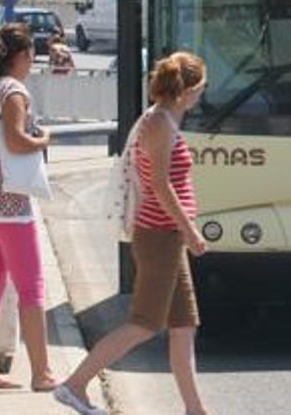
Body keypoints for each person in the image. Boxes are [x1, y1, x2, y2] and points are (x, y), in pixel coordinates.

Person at [55, 52, 209, 415]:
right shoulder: (159, 123)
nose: (201, 94)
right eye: (200, 87)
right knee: (144, 323)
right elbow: (159, 183)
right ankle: (74, 386)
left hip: (168, 235)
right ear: (189, 89)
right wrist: (189, 230)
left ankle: (195, 410)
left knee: (184, 325)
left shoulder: (168, 119)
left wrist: (184, 228)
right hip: (159, 235)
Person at [0, 23, 56, 393]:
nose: (33, 63)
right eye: (31, 56)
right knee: (32, 288)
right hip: (12, 206)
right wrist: (44, 138)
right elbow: (17, 140)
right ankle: (42, 373)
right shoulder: (12, 91)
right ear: (21, 57)